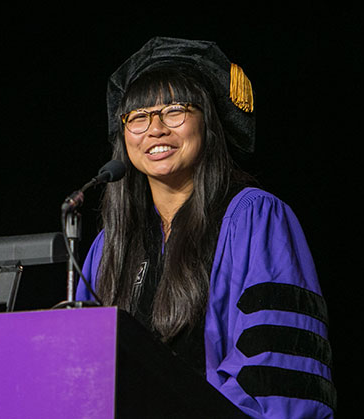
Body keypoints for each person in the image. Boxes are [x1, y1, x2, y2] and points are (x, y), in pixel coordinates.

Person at [75, 37, 337, 418]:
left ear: (207, 122)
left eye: (174, 110)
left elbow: (273, 372)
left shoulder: (253, 218)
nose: (155, 129)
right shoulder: (109, 245)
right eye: (139, 116)